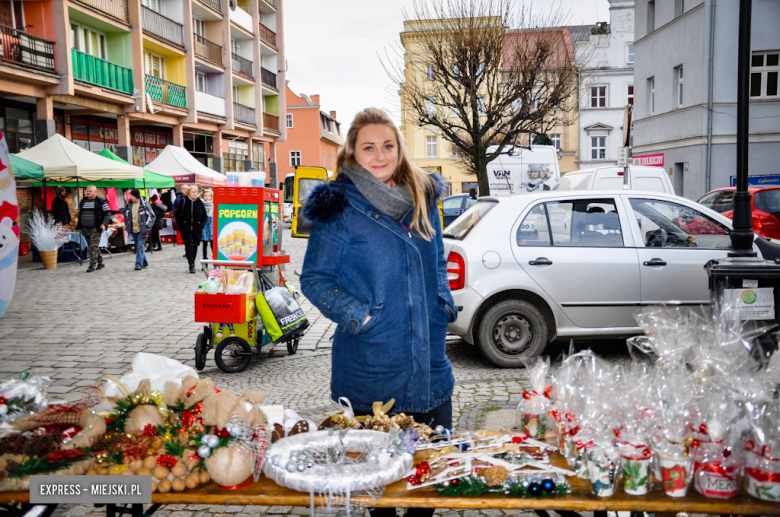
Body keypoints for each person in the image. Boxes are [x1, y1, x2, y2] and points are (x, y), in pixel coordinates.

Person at [301, 108, 457, 517]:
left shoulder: (424, 192)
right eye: (369, 146)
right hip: (373, 362)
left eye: (388, 145)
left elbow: (438, 258)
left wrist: (442, 302)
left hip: (429, 358)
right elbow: (315, 279)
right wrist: (363, 318)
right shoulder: (338, 207)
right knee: (380, 488)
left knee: (428, 477)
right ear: (352, 150)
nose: (380, 154)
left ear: (400, 148)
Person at [76, 185, 111, 273]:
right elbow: (80, 213)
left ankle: (92, 265)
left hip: (95, 227)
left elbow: (107, 214)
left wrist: (104, 224)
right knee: (92, 246)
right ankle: (100, 262)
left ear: (96, 192)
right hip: (85, 228)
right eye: (87, 191)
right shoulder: (83, 201)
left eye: (90, 191)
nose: (88, 193)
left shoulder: (101, 201)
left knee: (93, 247)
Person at [176, 185, 207, 273]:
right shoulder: (184, 201)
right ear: (189, 193)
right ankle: (191, 264)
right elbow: (178, 214)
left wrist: (201, 225)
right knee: (188, 246)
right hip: (186, 228)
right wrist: (182, 224)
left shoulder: (199, 203)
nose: (195, 194)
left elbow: (204, 215)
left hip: (197, 229)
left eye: (196, 192)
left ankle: (192, 261)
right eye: (193, 192)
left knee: (195, 246)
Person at [123, 189, 156, 271]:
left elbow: (152, 216)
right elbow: (126, 216)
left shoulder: (144, 204)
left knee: (140, 246)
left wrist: (147, 226)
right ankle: (144, 262)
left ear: (136, 197)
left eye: (132, 196)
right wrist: (127, 226)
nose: (131, 198)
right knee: (138, 247)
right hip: (133, 229)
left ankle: (138, 264)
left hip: (142, 229)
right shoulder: (129, 205)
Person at [200, 189, 214, 260]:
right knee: (204, 244)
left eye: (209, 196)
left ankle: (215, 260)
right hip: (204, 226)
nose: (207, 197)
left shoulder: (213, 205)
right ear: (203, 196)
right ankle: (205, 260)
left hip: (212, 226)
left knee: (213, 245)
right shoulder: (201, 205)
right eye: (206, 196)